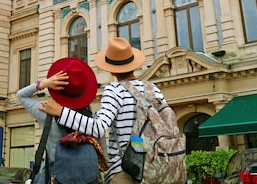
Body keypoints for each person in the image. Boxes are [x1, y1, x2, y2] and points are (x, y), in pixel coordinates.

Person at [40, 37, 167, 184]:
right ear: (133, 64)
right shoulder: (153, 89)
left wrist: (61, 112)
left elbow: (98, 128)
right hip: (157, 169)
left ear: (112, 70)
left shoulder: (114, 90)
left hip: (125, 172)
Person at [17, 56, 99, 183]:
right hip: (87, 177)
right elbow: (103, 154)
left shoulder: (46, 114)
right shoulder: (92, 121)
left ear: (57, 89)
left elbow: (21, 95)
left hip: (55, 176)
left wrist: (43, 83)